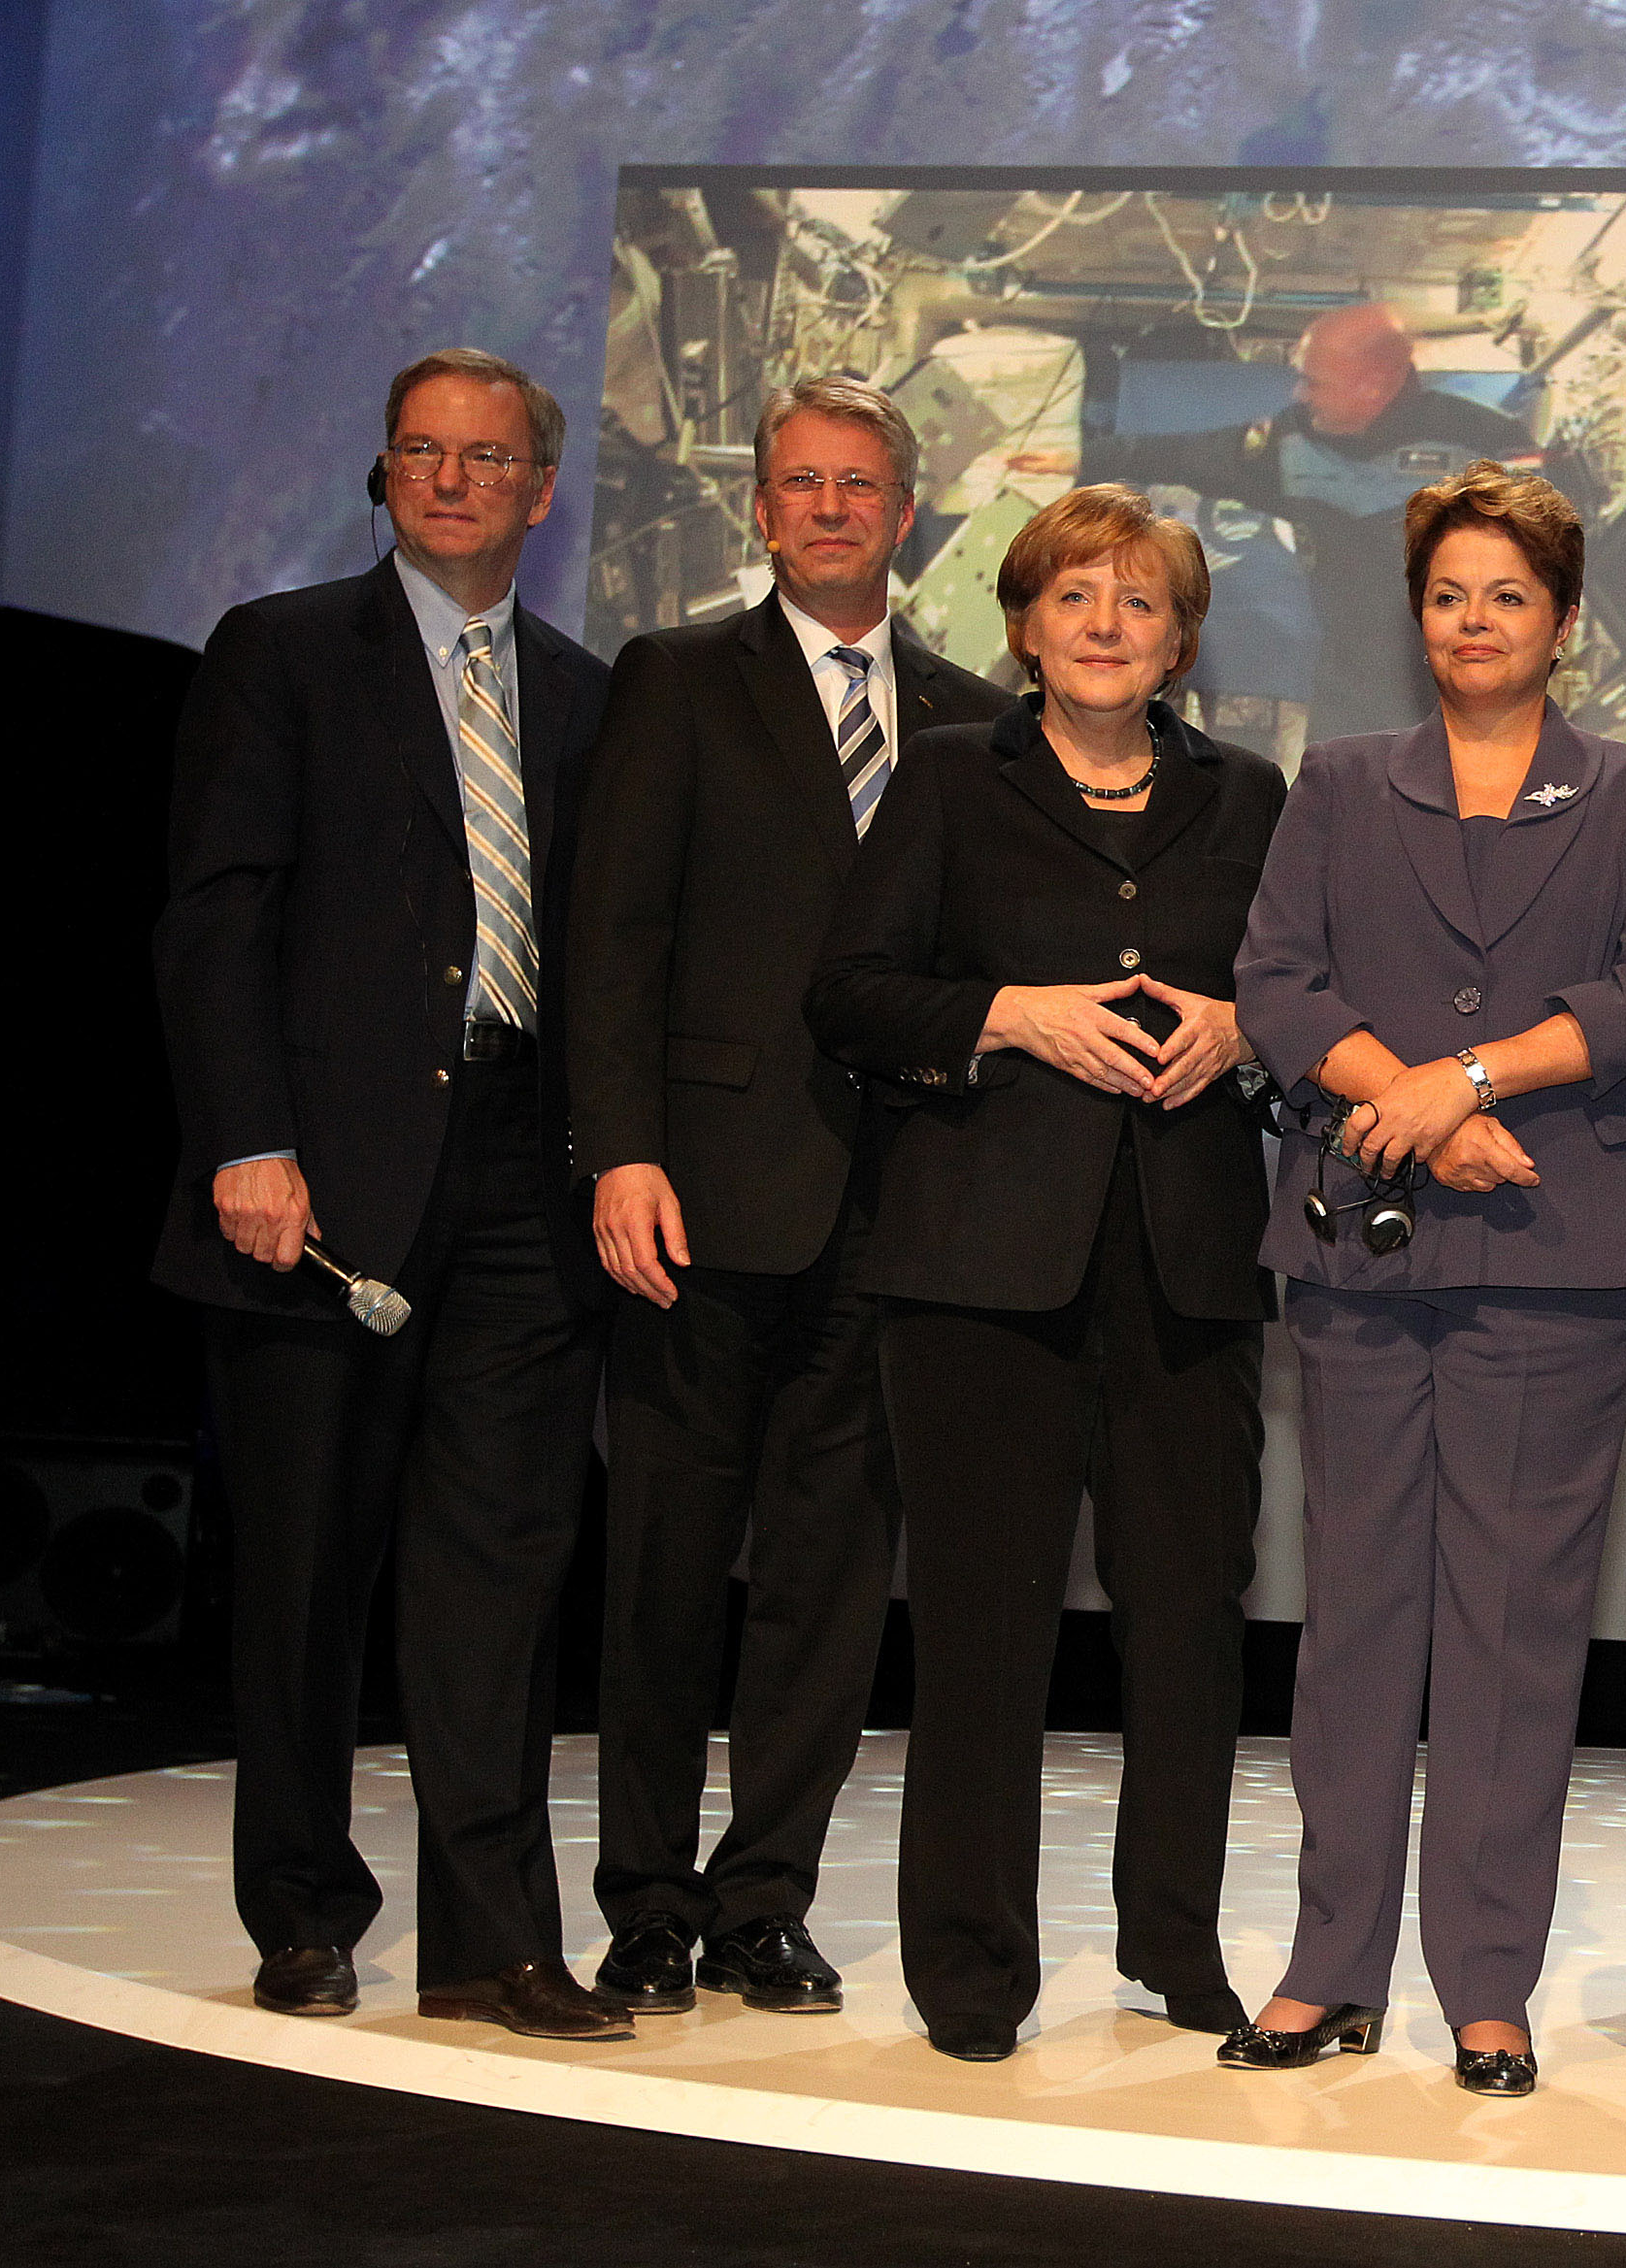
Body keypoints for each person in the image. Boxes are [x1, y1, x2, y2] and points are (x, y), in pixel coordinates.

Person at [154, 347, 622, 2037]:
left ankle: (494, 1940)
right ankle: (300, 1910)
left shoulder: (586, 694)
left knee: (500, 1571)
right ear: (384, 472)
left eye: (485, 457)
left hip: (521, 1177)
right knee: (303, 1571)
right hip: (323, 1177)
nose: (449, 479)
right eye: (421, 451)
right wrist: (245, 1138)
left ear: (539, 491)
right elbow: (215, 913)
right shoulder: (282, 651)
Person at [1228, 459, 1626, 2095]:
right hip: (1362, 1242)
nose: (1475, 620)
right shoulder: (1341, 782)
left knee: (1514, 1629)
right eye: (1448, 594)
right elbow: (1278, 984)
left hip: (1557, 1256)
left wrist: (1466, 1082)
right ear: (1415, 615)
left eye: (1508, 595)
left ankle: (1488, 1985)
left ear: (1562, 621)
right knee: (1357, 1616)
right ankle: (1327, 1967)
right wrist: (1414, 1108)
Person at [807, 485, 1286, 2063]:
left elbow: (1307, 995)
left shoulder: (1250, 795)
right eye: (1073, 595)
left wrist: (1248, 1030)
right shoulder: (954, 775)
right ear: (1022, 626)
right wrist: (1009, 1013)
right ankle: (970, 1967)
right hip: (976, 1272)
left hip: (1189, 1266)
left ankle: (1175, 1942)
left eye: (1139, 602)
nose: (1103, 624)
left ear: (1179, 640)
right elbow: (850, 992)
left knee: (1189, 1622)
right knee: (983, 1626)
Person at [569, 375, 1005, 2020]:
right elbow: (614, 933)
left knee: (827, 1586)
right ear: (761, 510)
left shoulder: (972, 718)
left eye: (858, 484)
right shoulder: (677, 678)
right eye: (801, 484)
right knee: (665, 1570)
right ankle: (645, 1902)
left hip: (897, 1216)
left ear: (905, 511)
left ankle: (764, 1903)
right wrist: (619, 1149)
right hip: (698, 1202)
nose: (829, 508)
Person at [1101, 303, 1544, 741]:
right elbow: (1198, 459)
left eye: (1315, 382)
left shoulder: (1485, 440)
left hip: (1461, 682)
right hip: (1343, 682)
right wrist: (1091, 458)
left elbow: (1556, 540)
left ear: (1372, 384)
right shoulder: (1291, 438)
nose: (1301, 395)